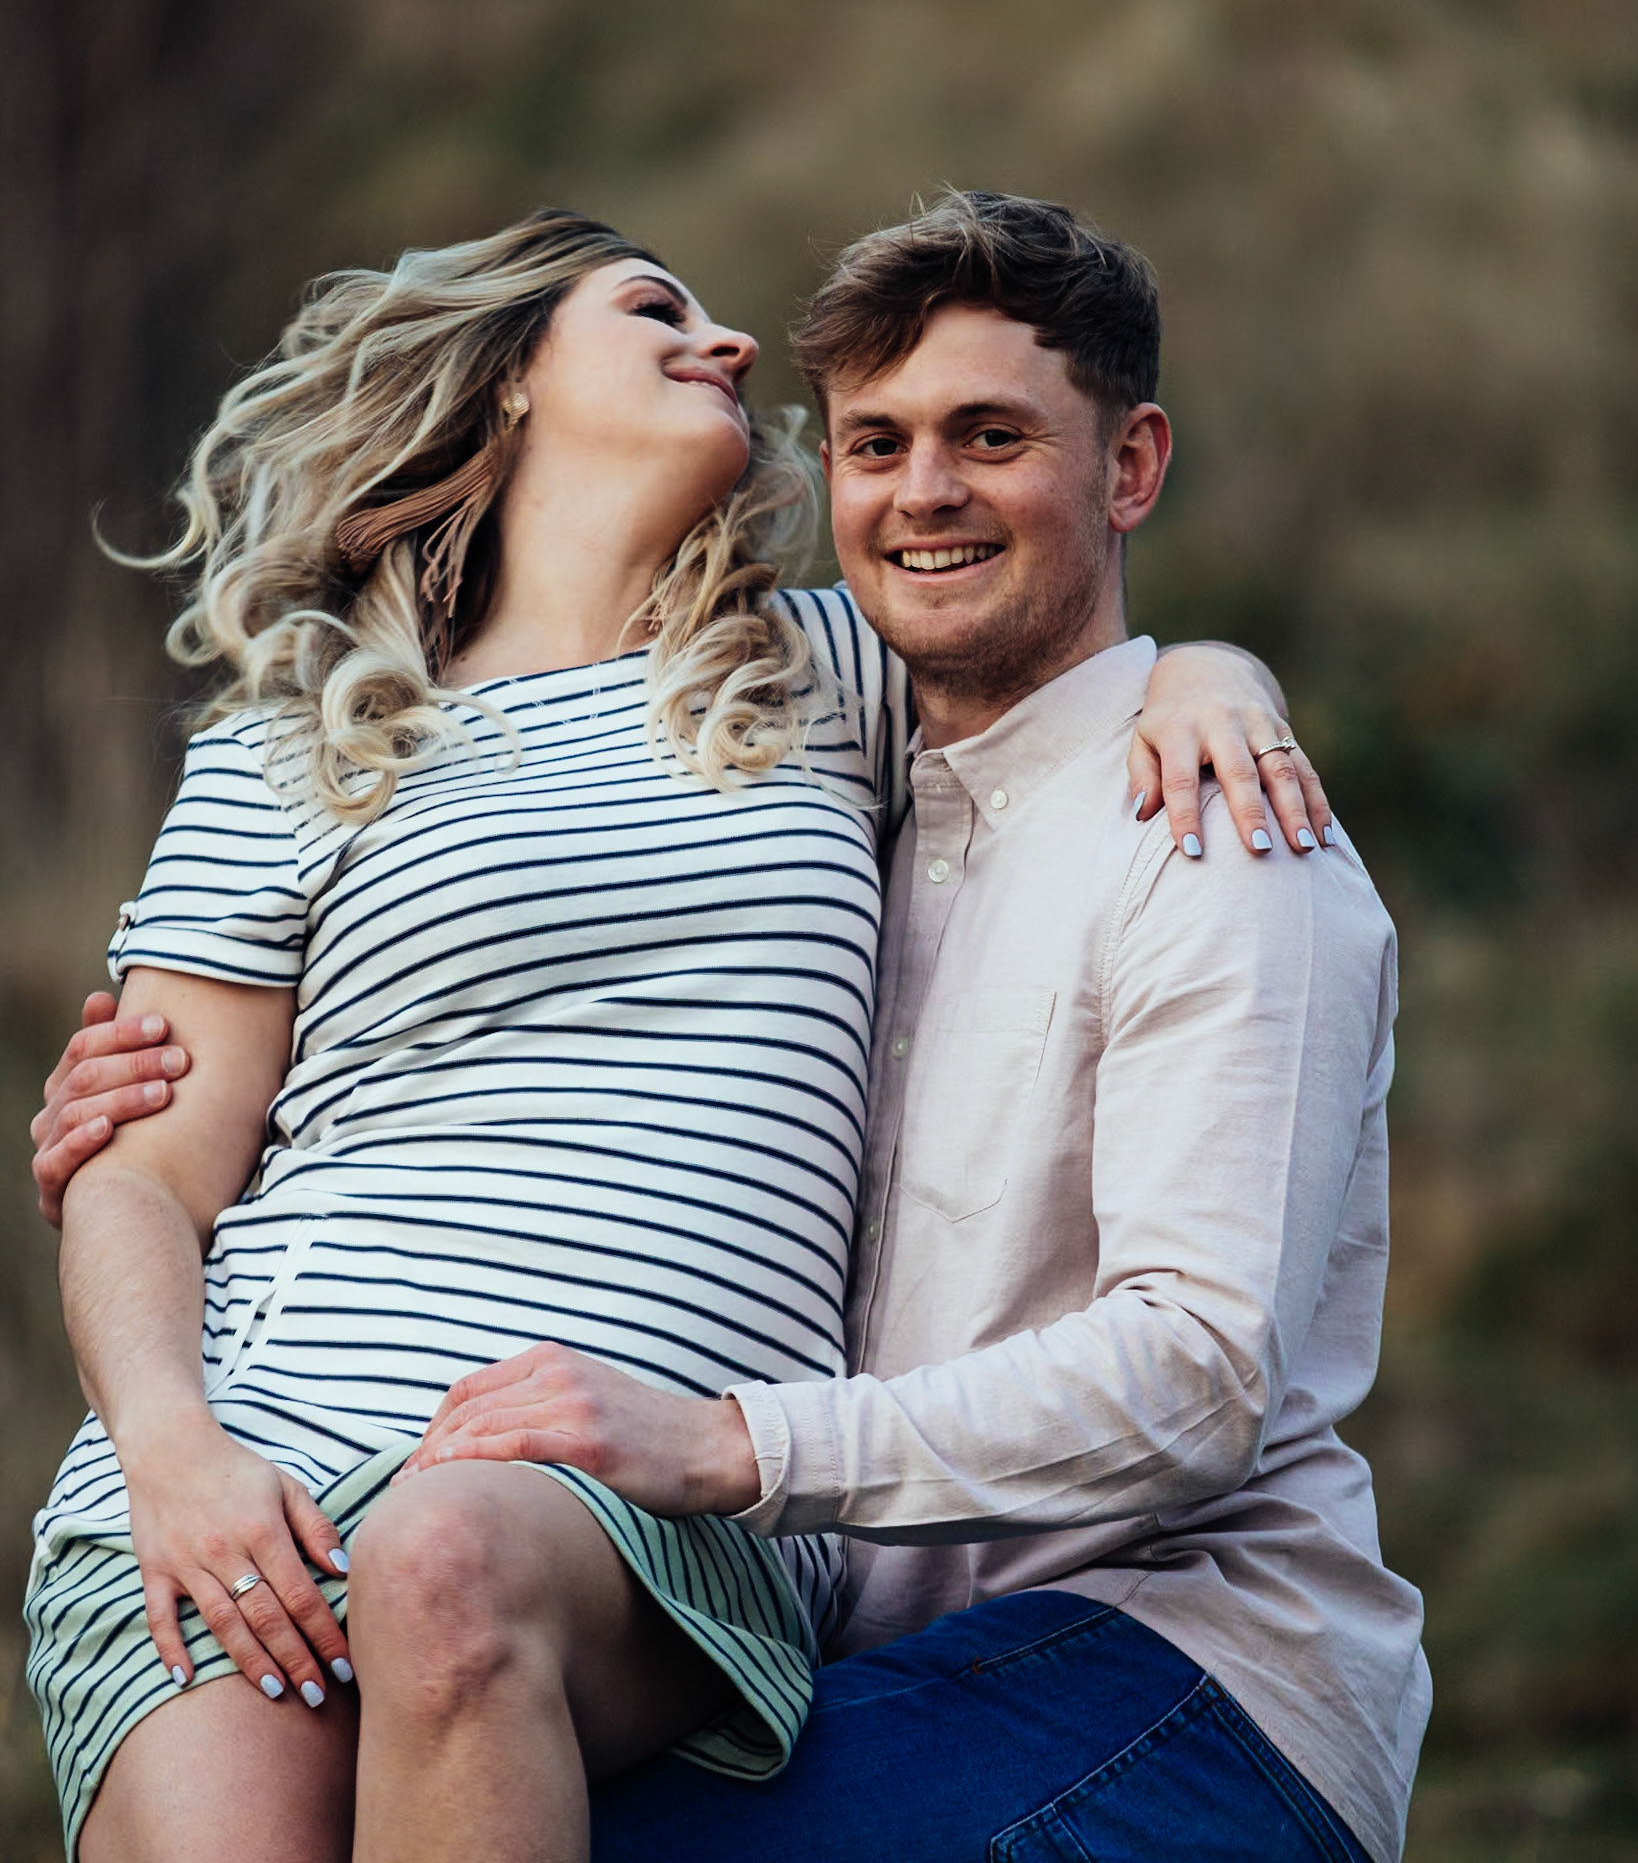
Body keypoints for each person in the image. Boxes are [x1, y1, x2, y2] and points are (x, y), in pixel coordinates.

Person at [23, 202, 1321, 1863]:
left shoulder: (818, 673)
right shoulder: (298, 746)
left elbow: (1060, 652)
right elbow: (140, 1176)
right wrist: (170, 1451)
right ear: (504, 385)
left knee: (450, 1562)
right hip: (253, 1443)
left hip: (638, 1490)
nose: (722, 344)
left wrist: (1213, 678)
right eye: (656, 311)